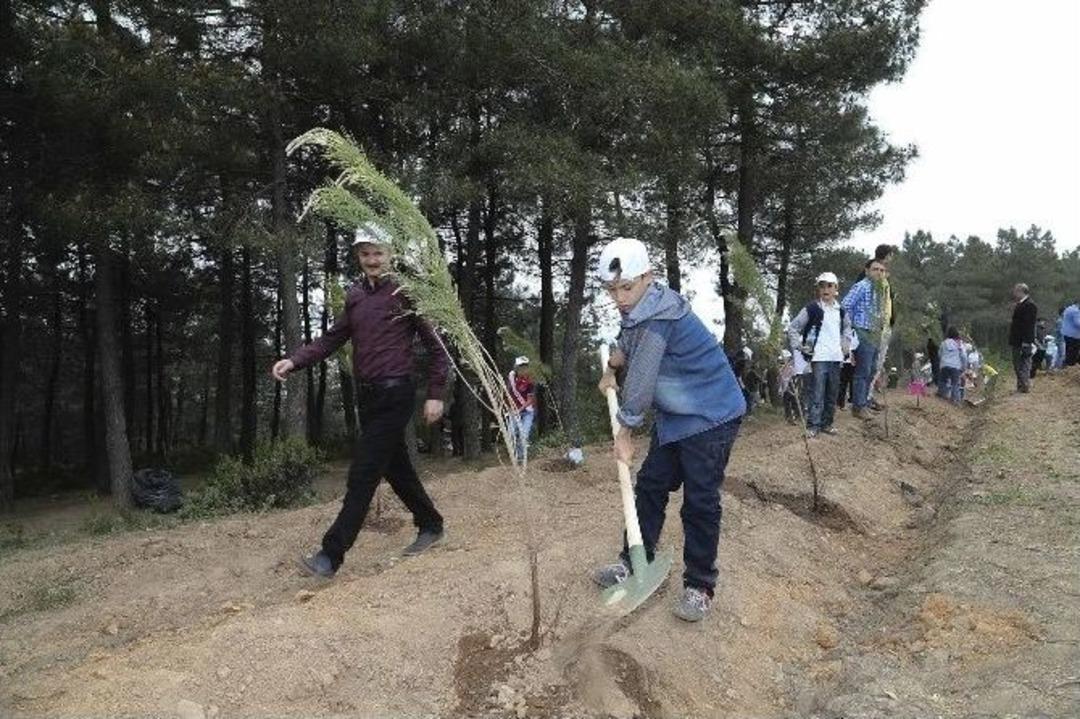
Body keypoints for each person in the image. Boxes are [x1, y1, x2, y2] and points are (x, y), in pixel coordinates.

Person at [271, 222, 449, 578]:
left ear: (391, 254)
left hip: (396, 392)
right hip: (367, 397)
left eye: (378, 253)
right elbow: (332, 339)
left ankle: (330, 555)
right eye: (365, 254)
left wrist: (435, 394)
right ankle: (430, 524)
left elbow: (438, 348)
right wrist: (295, 360)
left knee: (363, 473)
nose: (372, 259)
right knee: (396, 469)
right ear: (358, 257)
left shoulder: (407, 293)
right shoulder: (355, 297)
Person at [592, 237, 745, 622]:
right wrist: (611, 366)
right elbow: (629, 346)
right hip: (677, 417)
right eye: (612, 291)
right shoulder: (641, 309)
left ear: (648, 277)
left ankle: (699, 585)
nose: (620, 298)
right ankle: (633, 560)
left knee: (700, 501)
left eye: (626, 287)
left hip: (712, 416)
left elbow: (641, 384)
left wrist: (624, 432)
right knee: (652, 485)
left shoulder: (661, 317)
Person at [786, 271, 851, 437]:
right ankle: (813, 426)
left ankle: (827, 424)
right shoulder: (811, 308)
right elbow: (793, 327)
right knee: (817, 393)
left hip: (836, 358)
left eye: (829, 285)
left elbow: (847, 329)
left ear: (836, 288)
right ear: (818, 289)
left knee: (832, 394)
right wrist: (799, 346)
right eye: (822, 286)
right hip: (818, 358)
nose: (825, 289)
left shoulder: (841, 311)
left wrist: (845, 346)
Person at [841, 257, 889, 417]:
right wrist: (851, 327)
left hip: (875, 333)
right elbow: (845, 305)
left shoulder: (880, 290)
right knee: (863, 370)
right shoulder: (861, 286)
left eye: (882, 270)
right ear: (867, 271)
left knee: (873, 369)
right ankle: (858, 406)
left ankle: (865, 402)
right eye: (876, 269)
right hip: (862, 332)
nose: (879, 273)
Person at [1007, 283, 1037, 393]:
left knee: (1023, 363)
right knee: (1017, 363)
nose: (1014, 293)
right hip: (1016, 339)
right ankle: (1021, 385)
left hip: (1023, 340)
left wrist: (1026, 341)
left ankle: (1024, 385)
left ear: (1021, 291)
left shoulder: (1030, 305)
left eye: (1015, 291)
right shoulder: (1020, 304)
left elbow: (1029, 325)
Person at [507, 356, 536, 462]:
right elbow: (508, 392)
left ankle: (520, 457)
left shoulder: (530, 381)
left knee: (524, 434)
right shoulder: (511, 376)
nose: (523, 368)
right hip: (513, 410)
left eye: (525, 366)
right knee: (510, 433)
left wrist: (519, 410)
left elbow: (530, 400)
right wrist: (509, 407)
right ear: (516, 367)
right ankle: (514, 454)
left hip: (527, 411)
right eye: (520, 366)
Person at [936, 327, 967, 404]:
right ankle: (954, 400)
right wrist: (964, 367)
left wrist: (943, 361)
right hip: (955, 366)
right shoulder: (959, 343)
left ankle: (942, 395)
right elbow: (963, 356)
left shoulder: (944, 343)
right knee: (955, 383)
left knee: (942, 381)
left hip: (944, 365)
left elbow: (939, 354)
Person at [1062, 300, 1080, 367]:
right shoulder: (1076, 311)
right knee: (1073, 352)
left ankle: (1067, 365)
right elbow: (1077, 323)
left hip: (1066, 333)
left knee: (1068, 351)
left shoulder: (1068, 308)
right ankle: (1071, 366)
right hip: (1074, 335)